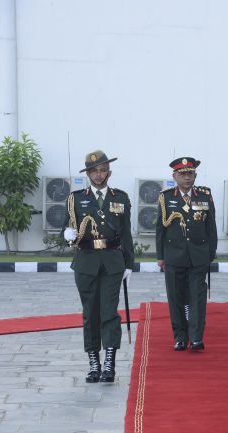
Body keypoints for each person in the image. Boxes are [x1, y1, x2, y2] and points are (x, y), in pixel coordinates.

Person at [62, 150, 134, 383]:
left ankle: (109, 363)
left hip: (113, 261)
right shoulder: (75, 199)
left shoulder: (120, 198)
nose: (99, 175)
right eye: (94, 171)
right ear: (88, 174)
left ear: (109, 173)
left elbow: (126, 234)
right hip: (86, 261)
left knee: (109, 312)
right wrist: (67, 234)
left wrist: (129, 264)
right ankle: (94, 363)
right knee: (90, 313)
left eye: (103, 170)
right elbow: (67, 228)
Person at [156, 157, 217, 352]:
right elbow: (160, 229)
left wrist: (210, 253)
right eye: (182, 174)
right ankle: (180, 337)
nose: (187, 178)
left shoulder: (204, 196)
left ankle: (196, 338)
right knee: (176, 297)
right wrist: (160, 256)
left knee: (197, 297)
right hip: (174, 256)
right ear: (174, 177)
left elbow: (211, 227)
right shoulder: (166, 198)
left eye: (190, 173)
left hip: (199, 256)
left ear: (195, 175)